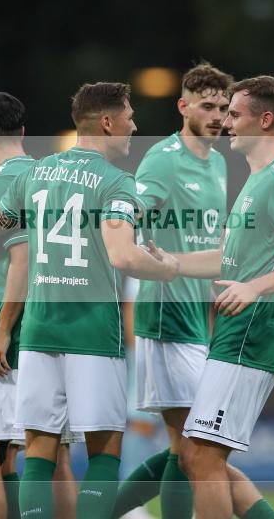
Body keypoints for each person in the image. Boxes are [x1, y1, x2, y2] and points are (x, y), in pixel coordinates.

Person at [0, 82, 179, 519]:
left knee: (38, 452)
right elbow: (123, 254)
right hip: (92, 333)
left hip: (40, 331)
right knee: (104, 450)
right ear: (106, 122)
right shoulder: (119, 184)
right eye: (129, 117)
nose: (133, 126)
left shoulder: (36, 173)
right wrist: (166, 267)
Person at [174, 75, 274, 519]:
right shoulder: (255, 182)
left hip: (249, 336)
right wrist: (170, 262)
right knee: (197, 458)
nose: (225, 123)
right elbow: (229, 255)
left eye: (234, 115)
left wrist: (256, 287)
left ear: (265, 121)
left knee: (203, 459)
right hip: (233, 335)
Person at [113, 62, 232, 519]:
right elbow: (133, 210)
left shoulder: (219, 163)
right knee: (200, 446)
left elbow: (211, 244)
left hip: (195, 320)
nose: (218, 115)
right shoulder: (164, 158)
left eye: (223, 107)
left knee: (188, 449)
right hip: (164, 319)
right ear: (183, 107)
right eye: (207, 106)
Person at [0, 92, 79, 519]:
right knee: (54, 458)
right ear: (23, 132)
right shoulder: (49, 173)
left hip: (14, 337)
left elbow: (22, 257)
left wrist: (2, 329)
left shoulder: (3, 179)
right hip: (58, 329)